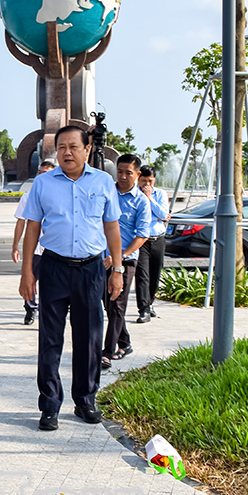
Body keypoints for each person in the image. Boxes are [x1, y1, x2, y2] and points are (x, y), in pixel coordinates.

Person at [19, 126, 123, 431]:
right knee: (50, 340)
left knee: (89, 339)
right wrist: (27, 272)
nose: (66, 152)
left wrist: (116, 269)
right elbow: (32, 229)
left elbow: (112, 229)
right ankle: (49, 405)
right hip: (53, 267)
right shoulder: (43, 184)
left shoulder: (103, 182)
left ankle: (85, 400)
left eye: (73, 146)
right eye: (61, 146)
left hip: (91, 271)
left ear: (87, 149)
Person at [103, 154, 151, 369]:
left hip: (126, 260)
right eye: (119, 172)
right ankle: (125, 342)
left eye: (128, 173)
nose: (122, 176)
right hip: (101, 258)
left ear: (137, 174)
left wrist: (119, 257)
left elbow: (142, 235)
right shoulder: (108, 192)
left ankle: (107, 351)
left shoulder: (141, 201)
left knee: (117, 304)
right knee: (107, 303)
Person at [11, 159, 56, 325]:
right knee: (29, 280)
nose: (41, 176)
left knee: (51, 285)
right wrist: (15, 246)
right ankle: (30, 310)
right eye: (39, 172)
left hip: (53, 249)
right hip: (35, 249)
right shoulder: (28, 197)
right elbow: (21, 222)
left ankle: (48, 313)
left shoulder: (58, 196)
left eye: (46, 173)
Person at [134, 165, 169, 324]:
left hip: (158, 238)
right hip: (141, 240)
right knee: (142, 276)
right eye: (144, 181)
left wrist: (150, 199)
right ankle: (143, 310)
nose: (147, 185)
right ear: (138, 179)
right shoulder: (133, 194)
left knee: (155, 275)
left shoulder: (160, 194)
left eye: (150, 181)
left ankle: (150, 303)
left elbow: (163, 214)